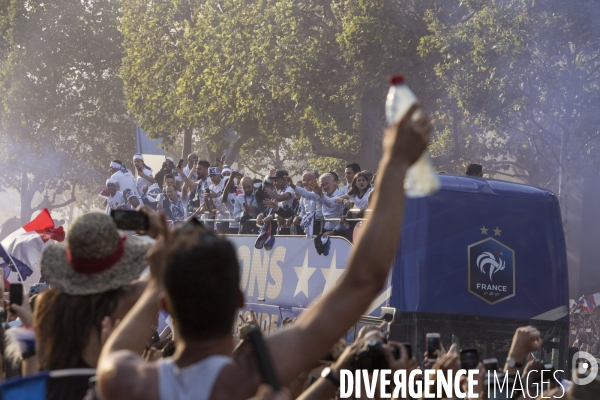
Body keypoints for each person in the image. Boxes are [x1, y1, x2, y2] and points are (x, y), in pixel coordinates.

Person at [96, 103, 432, 400]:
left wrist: (158, 276)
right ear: (238, 300)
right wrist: (395, 163)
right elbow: (363, 281)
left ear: (165, 302)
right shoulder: (248, 379)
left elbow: (124, 339)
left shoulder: (123, 379)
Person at [35, 212, 151, 400]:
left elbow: (39, 367)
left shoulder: (46, 304)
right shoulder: (128, 300)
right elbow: (165, 271)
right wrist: (158, 233)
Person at [290, 173, 347, 238]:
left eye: (327, 183)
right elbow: (307, 194)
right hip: (325, 231)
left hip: (340, 233)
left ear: (334, 182)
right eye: (323, 185)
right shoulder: (321, 194)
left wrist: (334, 231)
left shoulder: (341, 195)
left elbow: (330, 203)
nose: (325, 187)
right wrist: (292, 185)